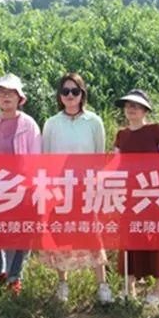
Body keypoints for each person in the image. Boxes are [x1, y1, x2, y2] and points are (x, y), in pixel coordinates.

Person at [41, 73, 113, 304]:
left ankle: (102, 286)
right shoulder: (51, 123)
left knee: (92, 234)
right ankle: (63, 284)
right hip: (60, 189)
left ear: (82, 94)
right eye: (66, 92)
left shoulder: (94, 122)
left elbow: (99, 156)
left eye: (75, 91)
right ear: (60, 96)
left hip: (86, 187)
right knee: (61, 235)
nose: (70, 96)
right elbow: (46, 158)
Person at [0, 73, 41, 295]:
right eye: (2, 93)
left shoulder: (28, 125)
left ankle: (14, 277)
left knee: (16, 232)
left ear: (19, 98)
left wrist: (33, 187)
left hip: (18, 188)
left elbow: (36, 157)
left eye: (11, 93)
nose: (6, 97)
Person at [114, 89, 159, 307]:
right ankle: (129, 288)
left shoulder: (156, 130)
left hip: (154, 193)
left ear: (145, 109)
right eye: (128, 105)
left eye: (136, 106)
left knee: (156, 239)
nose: (131, 109)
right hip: (130, 195)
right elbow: (116, 165)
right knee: (129, 239)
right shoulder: (122, 135)